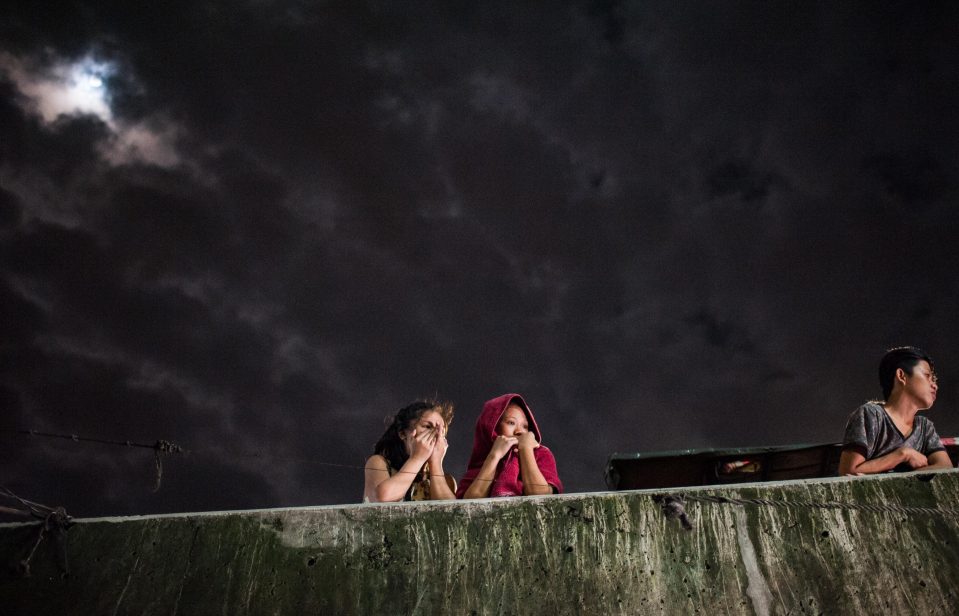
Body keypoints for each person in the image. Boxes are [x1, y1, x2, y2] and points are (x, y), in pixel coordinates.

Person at [838, 346, 953, 475]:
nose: (934, 385)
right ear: (901, 376)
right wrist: (903, 454)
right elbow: (848, 471)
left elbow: (945, 467)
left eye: (934, 380)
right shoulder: (871, 416)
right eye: (927, 376)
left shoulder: (925, 427)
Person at [458, 393, 563, 498]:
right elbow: (471, 503)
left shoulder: (541, 455)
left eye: (525, 426)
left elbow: (539, 495)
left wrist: (526, 448)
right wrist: (494, 456)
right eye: (511, 423)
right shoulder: (482, 462)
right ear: (493, 427)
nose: (520, 431)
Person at [363, 400, 457, 502]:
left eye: (441, 431)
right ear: (403, 434)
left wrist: (436, 463)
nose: (436, 435)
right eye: (428, 427)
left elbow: (452, 513)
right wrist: (417, 458)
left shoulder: (447, 481)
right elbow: (382, 499)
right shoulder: (379, 463)